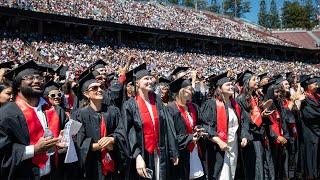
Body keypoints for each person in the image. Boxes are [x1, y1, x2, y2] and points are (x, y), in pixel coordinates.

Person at [0, 60, 67, 179]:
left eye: (39, 77)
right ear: (18, 85)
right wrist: (34, 150)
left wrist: (65, 139)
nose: (36, 81)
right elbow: (3, 154)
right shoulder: (6, 114)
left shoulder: (55, 110)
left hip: (52, 173)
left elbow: (67, 135)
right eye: (29, 77)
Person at [121, 68, 179, 180]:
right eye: (146, 79)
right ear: (137, 82)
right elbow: (128, 133)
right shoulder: (130, 105)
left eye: (150, 78)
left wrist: (173, 151)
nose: (150, 81)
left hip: (161, 151)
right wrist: (137, 155)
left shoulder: (157, 101)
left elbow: (168, 125)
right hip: (143, 153)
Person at [75, 73, 128, 180]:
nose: (99, 90)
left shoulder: (113, 111)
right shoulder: (80, 115)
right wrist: (102, 145)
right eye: (94, 88)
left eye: (100, 87)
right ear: (86, 94)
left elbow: (121, 133)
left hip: (112, 164)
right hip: (92, 166)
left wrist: (112, 139)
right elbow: (79, 143)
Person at [201, 72, 249, 180]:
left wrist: (244, 136)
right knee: (220, 174)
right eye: (228, 84)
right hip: (218, 146)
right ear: (219, 88)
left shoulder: (235, 104)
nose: (231, 86)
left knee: (231, 173)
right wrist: (218, 141)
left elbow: (244, 121)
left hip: (233, 146)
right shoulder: (212, 104)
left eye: (231, 84)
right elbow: (206, 126)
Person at [236, 70, 275, 179]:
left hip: (259, 134)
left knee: (263, 164)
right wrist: (261, 116)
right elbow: (245, 119)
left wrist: (263, 112)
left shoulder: (254, 97)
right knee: (256, 167)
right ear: (247, 82)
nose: (256, 81)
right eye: (253, 79)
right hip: (251, 136)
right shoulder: (241, 98)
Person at [167, 77, 205, 180]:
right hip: (181, 153)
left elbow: (200, 123)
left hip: (194, 150)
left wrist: (198, 129)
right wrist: (190, 138)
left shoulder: (193, 107)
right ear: (181, 91)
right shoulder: (171, 109)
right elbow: (171, 135)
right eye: (189, 88)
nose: (192, 91)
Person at [299, 75, 320, 179]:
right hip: (309, 129)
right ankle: (310, 174)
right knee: (310, 152)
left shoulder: (316, 97)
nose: (317, 85)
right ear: (308, 86)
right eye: (314, 84)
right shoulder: (305, 98)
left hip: (317, 129)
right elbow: (309, 114)